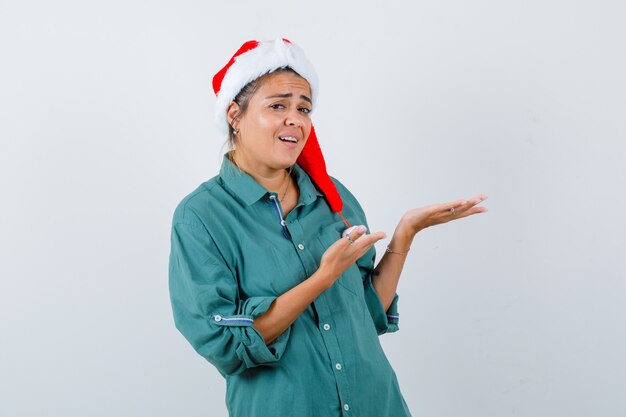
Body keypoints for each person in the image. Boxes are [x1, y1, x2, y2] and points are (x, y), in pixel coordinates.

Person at [169, 38, 487, 417]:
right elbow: (226, 345)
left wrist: (406, 234)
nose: (295, 119)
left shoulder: (332, 197)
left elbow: (369, 314)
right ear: (235, 115)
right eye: (278, 106)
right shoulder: (202, 218)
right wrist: (322, 278)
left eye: (304, 108)